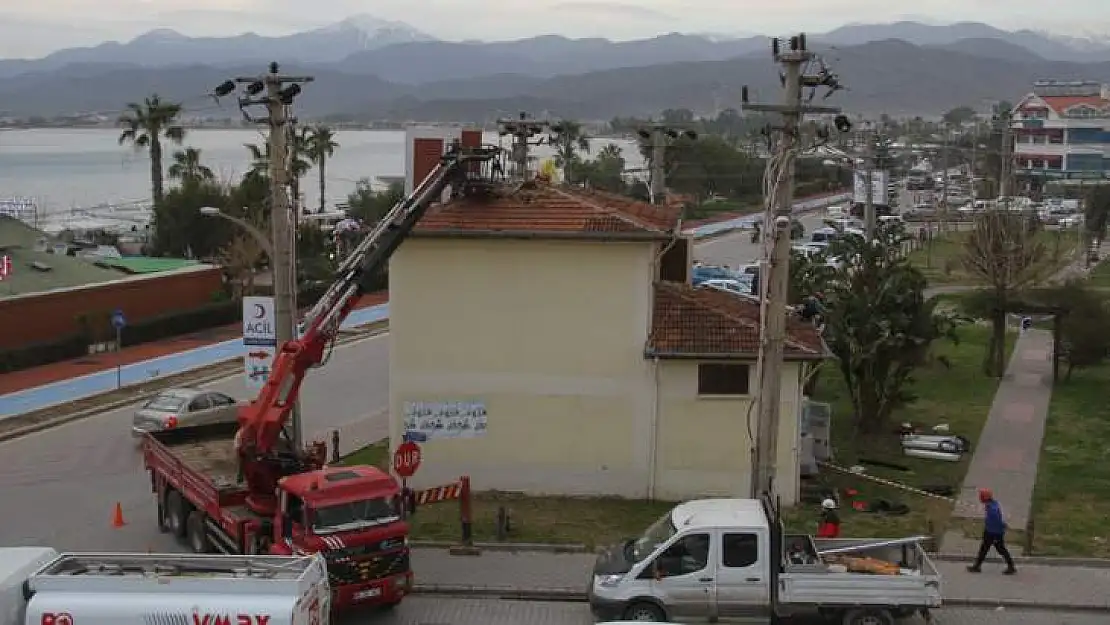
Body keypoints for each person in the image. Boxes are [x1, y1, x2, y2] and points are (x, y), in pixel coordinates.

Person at [967, 488, 1017, 575]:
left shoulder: (992, 509)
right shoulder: (992, 504)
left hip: (993, 533)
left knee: (1000, 549)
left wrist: (1001, 528)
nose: (980, 498)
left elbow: (997, 520)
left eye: (981, 496)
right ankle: (977, 566)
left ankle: (1011, 566)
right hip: (991, 531)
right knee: (985, 549)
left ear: (984, 497)